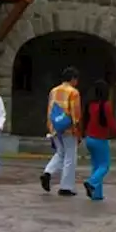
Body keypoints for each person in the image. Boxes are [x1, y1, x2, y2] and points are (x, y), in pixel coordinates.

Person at [82, 80, 116, 201]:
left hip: (89, 138)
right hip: (100, 139)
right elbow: (112, 123)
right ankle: (91, 182)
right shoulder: (105, 105)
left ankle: (97, 194)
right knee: (104, 166)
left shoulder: (90, 104)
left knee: (96, 166)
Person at [40, 66, 81, 196]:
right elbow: (76, 114)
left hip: (55, 127)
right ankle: (66, 187)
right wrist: (77, 128)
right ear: (73, 79)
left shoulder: (53, 91)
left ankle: (48, 172)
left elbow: (50, 109)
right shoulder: (73, 92)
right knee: (70, 156)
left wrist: (50, 126)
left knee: (60, 153)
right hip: (68, 128)